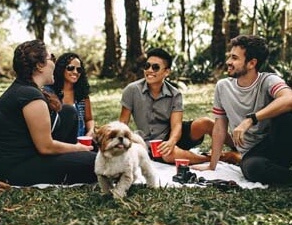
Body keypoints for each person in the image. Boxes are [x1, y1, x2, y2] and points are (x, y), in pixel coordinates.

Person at [0, 40, 97, 186]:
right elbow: (45, 147)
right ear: (39, 65)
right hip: (15, 168)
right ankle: (77, 158)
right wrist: (78, 149)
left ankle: (75, 157)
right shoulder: (29, 96)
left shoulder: (27, 89)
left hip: (29, 154)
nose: (55, 63)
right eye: (52, 58)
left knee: (68, 112)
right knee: (98, 162)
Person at [192, 35, 292, 185]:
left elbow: (289, 99)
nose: (228, 62)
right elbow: (219, 128)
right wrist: (212, 165)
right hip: (254, 154)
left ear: (252, 63)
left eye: (234, 58)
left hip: (278, 142)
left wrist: (250, 119)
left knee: (287, 114)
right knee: (252, 168)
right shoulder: (223, 87)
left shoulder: (268, 80)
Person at [119, 47, 238, 165]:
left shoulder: (175, 94)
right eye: (147, 66)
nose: (149, 70)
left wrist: (171, 142)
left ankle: (238, 147)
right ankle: (219, 158)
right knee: (169, 154)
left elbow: (176, 126)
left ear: (166, 72)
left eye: (155, 67)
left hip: (174, 135)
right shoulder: (132, 90)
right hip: (151, 144)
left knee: (205, 122)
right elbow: (122, 123)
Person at [49, 52, 95, 138]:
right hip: (57, 143)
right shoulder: (50, 92)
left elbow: (89, 119)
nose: (75, 72)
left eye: (79, 69)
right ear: (61, 69)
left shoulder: (82, 94)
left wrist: (91, 131)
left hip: (79, 142)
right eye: (70, 68)